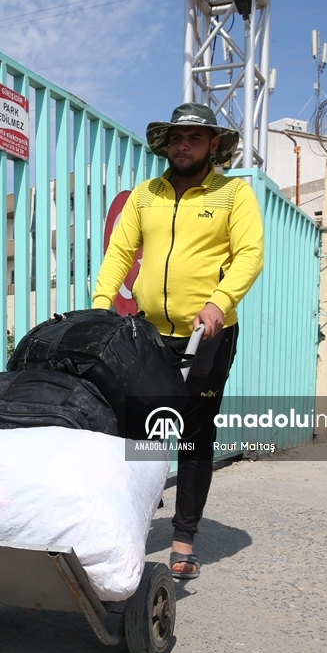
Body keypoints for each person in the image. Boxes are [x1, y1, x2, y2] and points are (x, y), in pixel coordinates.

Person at [91, 102, 264, 580]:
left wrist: (220, 300)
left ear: (213, 144)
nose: (182, 145)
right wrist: (103, 303)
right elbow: (120, 251)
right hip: (147, 333)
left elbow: (250, 253)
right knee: (140, 434)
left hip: (207, 332)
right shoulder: (147, 195)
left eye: (193, 137)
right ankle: (133, 522)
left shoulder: (234, 194)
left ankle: (184, 535)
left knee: (192, 434)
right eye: (176, 137)